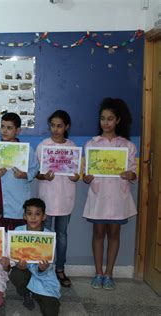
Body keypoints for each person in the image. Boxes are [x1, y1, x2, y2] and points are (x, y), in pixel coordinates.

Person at [82, 98, 137, 290]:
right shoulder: (91, 144)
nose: (106, 122)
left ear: (118, 121)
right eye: (103, 118)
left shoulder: (127, 146)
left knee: (114, 233)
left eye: (110, 118)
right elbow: (87, 172)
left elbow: (133, 170)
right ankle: (98, 272)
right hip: (98, 195)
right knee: (98, 233)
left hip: (118, 197)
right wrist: (87, 178)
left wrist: (131, 174)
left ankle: (109, 273)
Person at [36, 110, 79, 287]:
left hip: (65, 198)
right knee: (45, 235)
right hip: (47, 198)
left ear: (66, 127)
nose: (55, 129)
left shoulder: (72, 146)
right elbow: (36, 173)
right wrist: (44, 176)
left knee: (61, 235)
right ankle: (43, 268)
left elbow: (77, 174)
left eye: (59, 126)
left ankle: (60, 269)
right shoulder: (42, 146)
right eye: (52, 125)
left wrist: (75, 177)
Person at [0, 112, 39, 231]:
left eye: (9, 128)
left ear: (18, 130)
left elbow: (35, 168)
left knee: (16, 239)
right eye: (2, 126)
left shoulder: (26, 150)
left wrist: (24, 175)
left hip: (18, 201)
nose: (4, 131)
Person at [10, 198, 61, 316]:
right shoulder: (18, 231)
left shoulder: (49, 236)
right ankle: (26, 293)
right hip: (25, 272)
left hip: (44, 279)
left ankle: (38, 294)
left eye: (37, 214)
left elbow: (50, 262)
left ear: (44, 217)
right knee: (16, 273)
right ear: (24, 216)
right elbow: (13, 257)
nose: (33, 217)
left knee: (51, 312)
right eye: (29, 213)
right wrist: (18, 264)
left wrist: (42, 268)